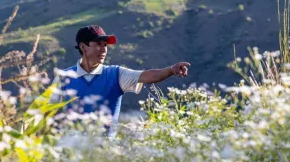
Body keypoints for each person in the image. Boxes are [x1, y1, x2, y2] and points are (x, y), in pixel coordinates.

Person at [50, 25, 190, 137]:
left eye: (105, 45)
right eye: (98, 44)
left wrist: (171, 70)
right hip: (70, 153)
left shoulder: (115, 74)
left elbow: (147, 76)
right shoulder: (64, 77)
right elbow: (46, 113)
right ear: (83, 47)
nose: (104, 49)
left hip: (105, 156)